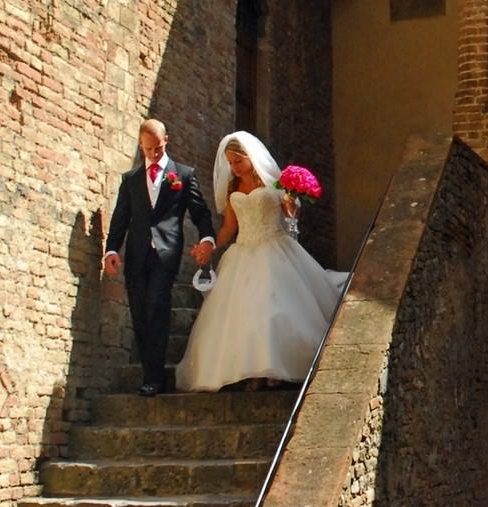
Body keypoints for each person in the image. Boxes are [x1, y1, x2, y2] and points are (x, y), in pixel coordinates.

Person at [176, 132, 348, 392]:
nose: (233, 167)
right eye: (230, 163)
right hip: (243, 251)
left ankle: (274, 368)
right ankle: (251, 371)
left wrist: (291, 202)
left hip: (274, 248)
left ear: (249, 157)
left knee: (272, 309)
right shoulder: (233, 189)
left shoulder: (274, 183)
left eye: (237, 161)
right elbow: (229, 227)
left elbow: (291, 215)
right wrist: (209, 244)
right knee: (244, 313)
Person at [103, 119, 216, 396]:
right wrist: (112, 250)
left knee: (158, 305)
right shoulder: (130, 181)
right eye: (147, 148)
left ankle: (154, 378)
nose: (153, 153)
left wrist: (206, 239)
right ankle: (149, 371)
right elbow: (120, 218)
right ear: (141, 146)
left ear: (166, 140)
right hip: (137, 255)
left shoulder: (184, 175)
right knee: (140, 312)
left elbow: (200, 212)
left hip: (166, 253)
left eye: (157, 147)